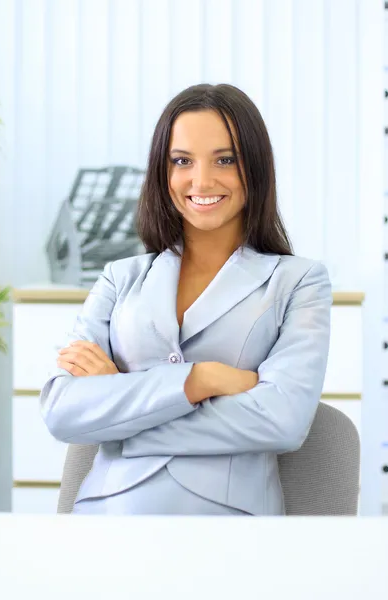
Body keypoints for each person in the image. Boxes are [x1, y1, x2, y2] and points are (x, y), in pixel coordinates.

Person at [40, 83, 332, 516]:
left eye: (225, 160)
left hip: (231, 527)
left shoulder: (298, 281)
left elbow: (283, 420)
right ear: (164, 170)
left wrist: (119, 414)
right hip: (105, 519)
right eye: (182, 161)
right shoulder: (120, 278)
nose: (201, 180)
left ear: (255, 167)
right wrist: (202, 379)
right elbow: (63, 412)